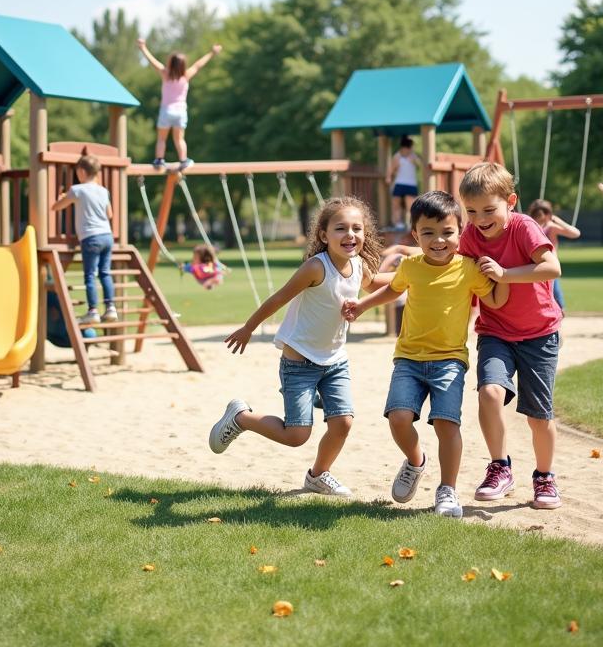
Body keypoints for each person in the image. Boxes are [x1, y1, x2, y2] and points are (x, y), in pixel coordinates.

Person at [344, 191, 509, 517]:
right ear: (415, 235)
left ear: (459, 232)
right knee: (399, 417)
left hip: (449, 360)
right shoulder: (411, 266)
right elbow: (393, 289)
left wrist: (501, 275)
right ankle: (415, 461)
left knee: (447, 425)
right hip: (408, 358)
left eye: (447, 232)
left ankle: (447, 490)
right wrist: (362, 305)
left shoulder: (469, 269)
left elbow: (495, 302)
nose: (438, 240)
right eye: (428, 233)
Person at [209, 196, 386, 497]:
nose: (350, 234)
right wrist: (249, 328)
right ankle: (241, 417)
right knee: (296, 436)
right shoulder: (316, 268)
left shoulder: (359, 266)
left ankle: (318, 475)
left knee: (343, 422)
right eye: (341, 228)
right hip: (299, 364)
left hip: (335, 361)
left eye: (357, 228)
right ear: (323, 235)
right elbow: (279, 298)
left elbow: (379, 282)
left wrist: (421, 272)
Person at [457, 162, 563, 510]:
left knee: (538, 416)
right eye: (471, 211)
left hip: (539, 334)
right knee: (489, 393)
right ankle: (500, 467)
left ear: (511, 201)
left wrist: (504, 274)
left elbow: (551, 267)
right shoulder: (470, 236)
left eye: (489, 210)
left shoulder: (524, 227)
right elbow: (460, 276)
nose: (480, 219)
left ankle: (544, 477)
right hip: (495, 331)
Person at [137, 37, 222, 171]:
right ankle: (183, 160)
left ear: (170, 64)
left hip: (166, 111)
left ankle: (159, 160)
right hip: (180, 112)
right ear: (183, 65)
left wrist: (143, 48)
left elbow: (152, 61)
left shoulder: (165, 74)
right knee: (179, 139)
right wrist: (212, 53)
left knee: (162, 139)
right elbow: (199, 65)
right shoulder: (186, 75)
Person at [51, 155, 117, 324]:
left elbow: (57, 207)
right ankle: (110, 308)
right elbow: (110, 214)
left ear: (81, 171)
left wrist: (61, 198)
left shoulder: (77, 190)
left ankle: (93, 311)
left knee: (89, 275)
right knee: (105, 273)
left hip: (91, 237)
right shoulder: (103, 191)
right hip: (107, 236)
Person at [527, 199, 580, 312]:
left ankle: (561, 309)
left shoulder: (551, 227)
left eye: (542, 215)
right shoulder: (531, 227)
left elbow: (575, 233)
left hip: (550, 265)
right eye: (536, 215)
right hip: (535, 265)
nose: (539, 218)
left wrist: (558, 221)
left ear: (548, 214)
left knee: (554, 289)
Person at [387, 136, 422, 228]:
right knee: (396, 205)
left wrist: (414, 159)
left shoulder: (413, 156)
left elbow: (420, 165)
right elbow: (391, 169)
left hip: (411, 184)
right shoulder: (397, 156)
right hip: (399, 183)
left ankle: (410, 224)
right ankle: (397, 223)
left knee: (410, 206)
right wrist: (388, 178)